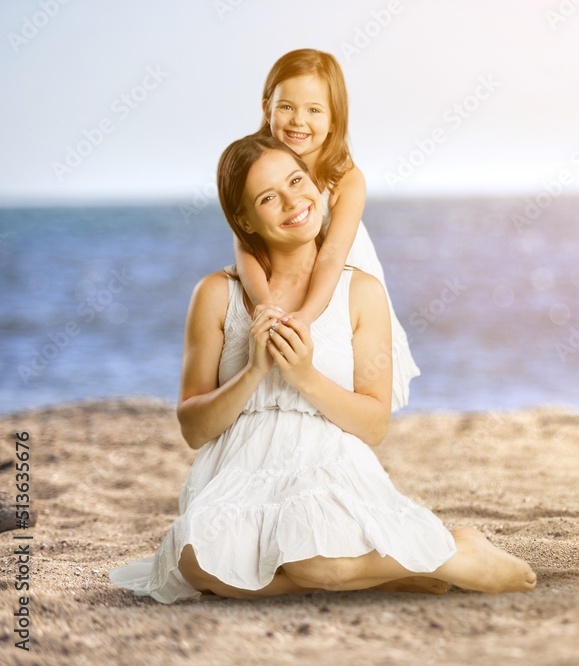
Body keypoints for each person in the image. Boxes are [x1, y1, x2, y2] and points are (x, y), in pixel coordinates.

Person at [107, 135, 536, 603]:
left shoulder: (361, 291)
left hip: (325, 462)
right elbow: (193, 427)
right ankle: (399, 570)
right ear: (244, 220)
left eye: (296, 180)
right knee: (195, 562)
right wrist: (252, 372)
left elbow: (373, 425)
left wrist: (304, 376)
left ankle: (457, 553)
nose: (293, 201)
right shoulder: (215, 293)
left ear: (313, 181)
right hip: (235, 469)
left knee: (316, 561)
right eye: (269, 197)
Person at [236, 48, 419, 412]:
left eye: (314, 110)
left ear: (334, 120)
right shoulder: (254, 168)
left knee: (343, 386)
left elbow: (333, 255)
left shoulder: (346, 179)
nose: (298, 120)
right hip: (284, 282)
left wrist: (305, 315)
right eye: (286, 106)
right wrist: (266, 306)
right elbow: (245, 249)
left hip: (336, 281)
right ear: (266, 107)